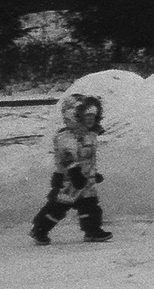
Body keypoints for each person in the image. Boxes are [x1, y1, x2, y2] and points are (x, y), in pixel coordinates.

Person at [30, 91, 111, 244]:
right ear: (74, 116)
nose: (91, 120)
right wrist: (75, 172)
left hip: (86, 182)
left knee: (91, 207)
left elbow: (87, 158)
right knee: (57, 209)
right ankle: (40, 229)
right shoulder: (66, 137)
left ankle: (92, 230)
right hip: (69, 182)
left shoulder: (90, 135)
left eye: (93, 116)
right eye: (87, 116)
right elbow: (68, 156)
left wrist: (93, 173)